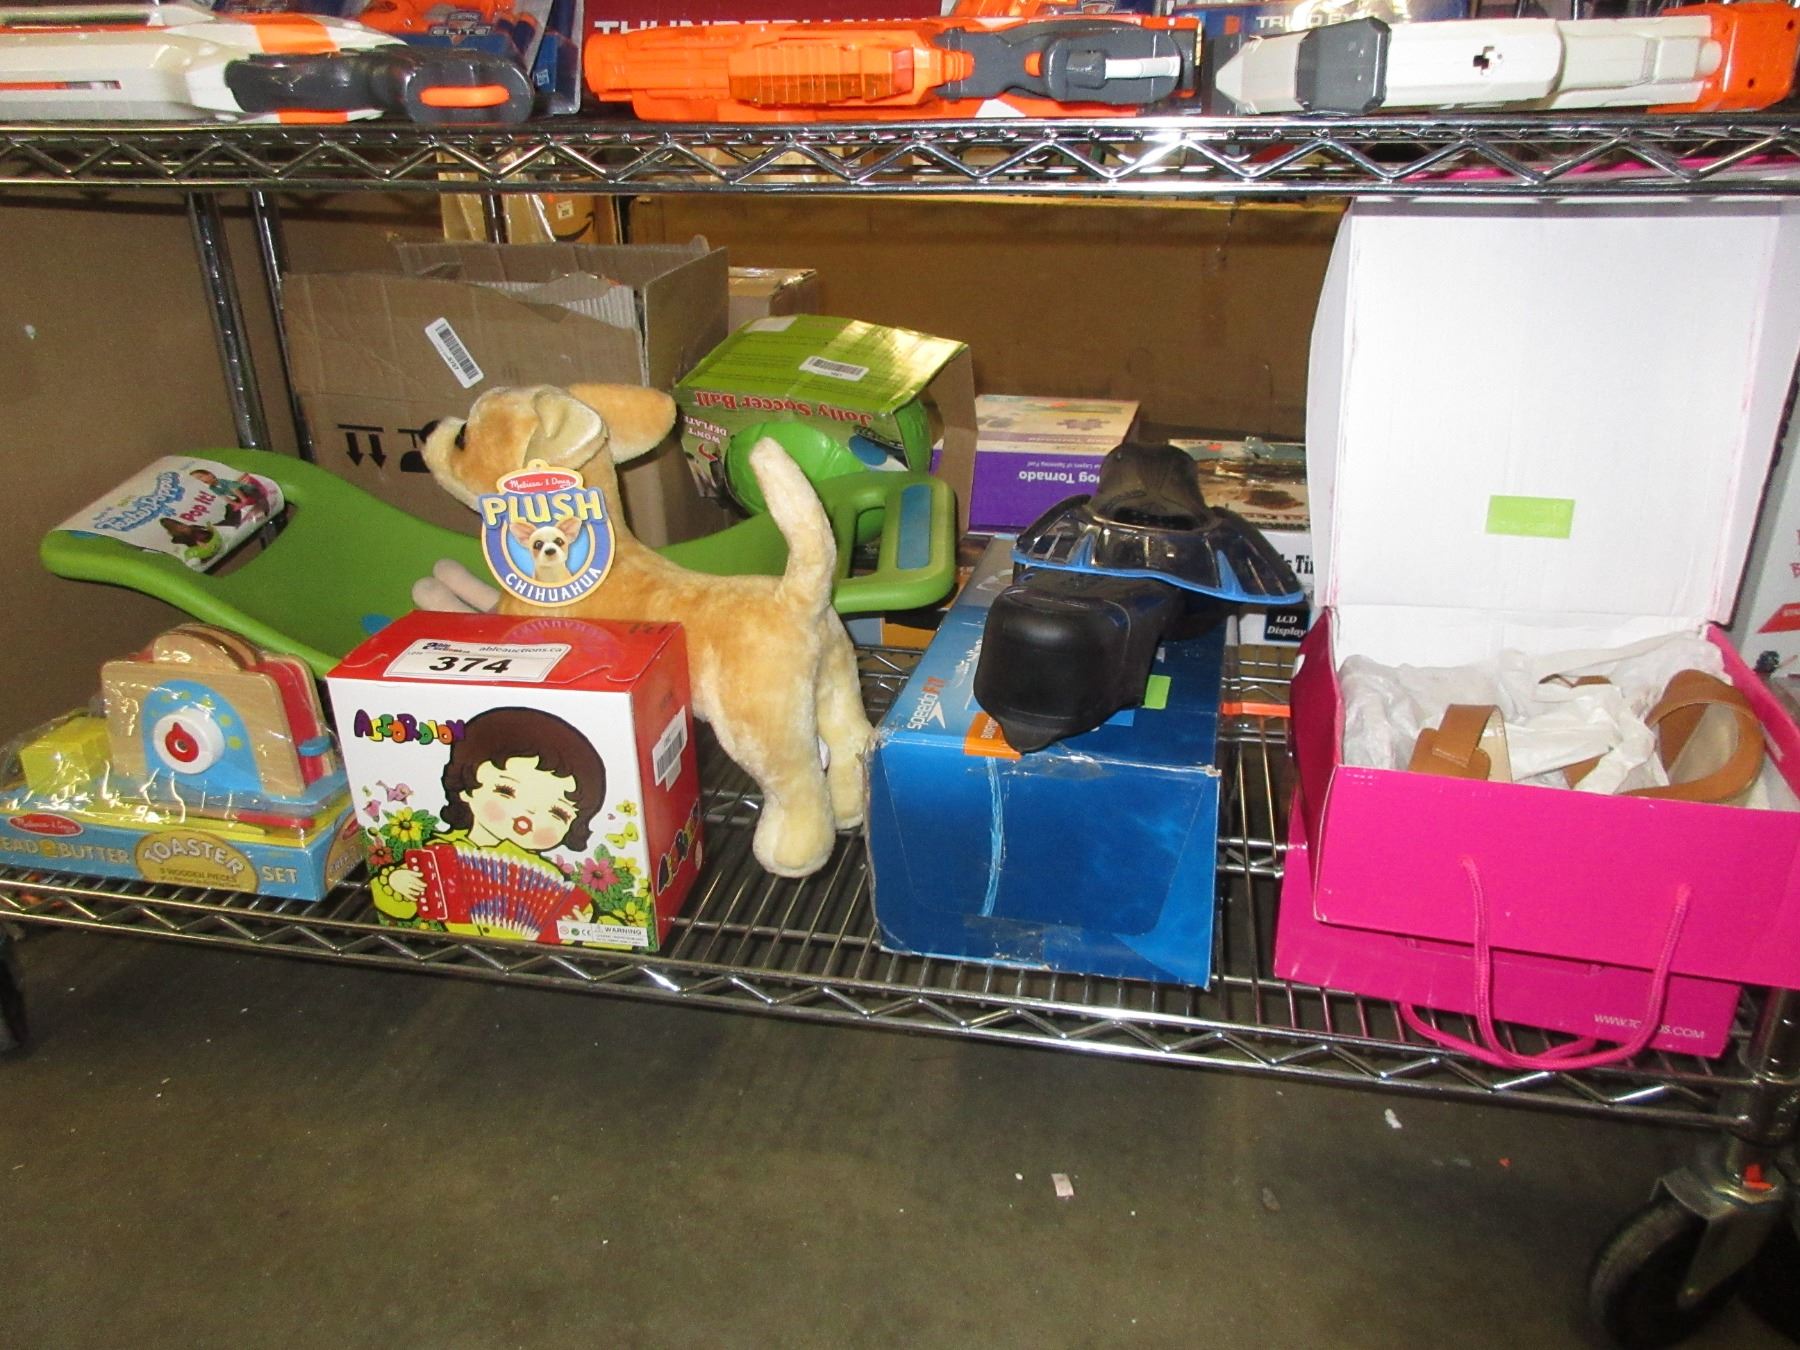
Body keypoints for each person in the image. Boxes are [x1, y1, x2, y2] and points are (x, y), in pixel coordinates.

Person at [370, 707, 606, 927]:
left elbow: (597, 928)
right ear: (466, 788)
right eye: (506, 791)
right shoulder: (437, 857)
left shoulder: (546, 876)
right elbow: (394, 910)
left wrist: (583, 926)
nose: (528, 814)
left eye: (557, 812)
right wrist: (396, 884)